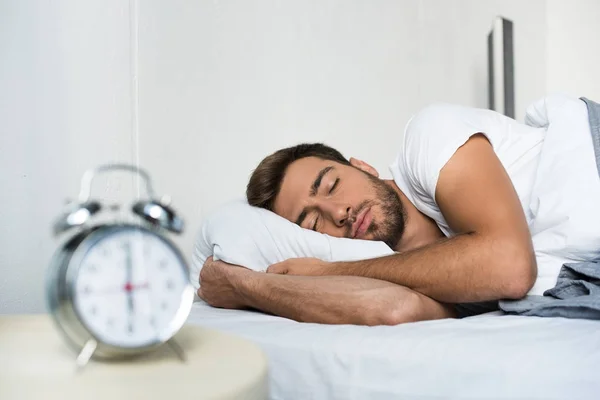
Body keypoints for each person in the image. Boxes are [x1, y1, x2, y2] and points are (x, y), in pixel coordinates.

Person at [197, 95, 600, 325]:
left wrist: (323, 272)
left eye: (331, 185)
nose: (339, 213)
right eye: (313, 222)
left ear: (362, 166)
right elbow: (393, 310)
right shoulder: (407, 271)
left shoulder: (426, 137)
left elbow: (509, 267)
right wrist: (245, 286)